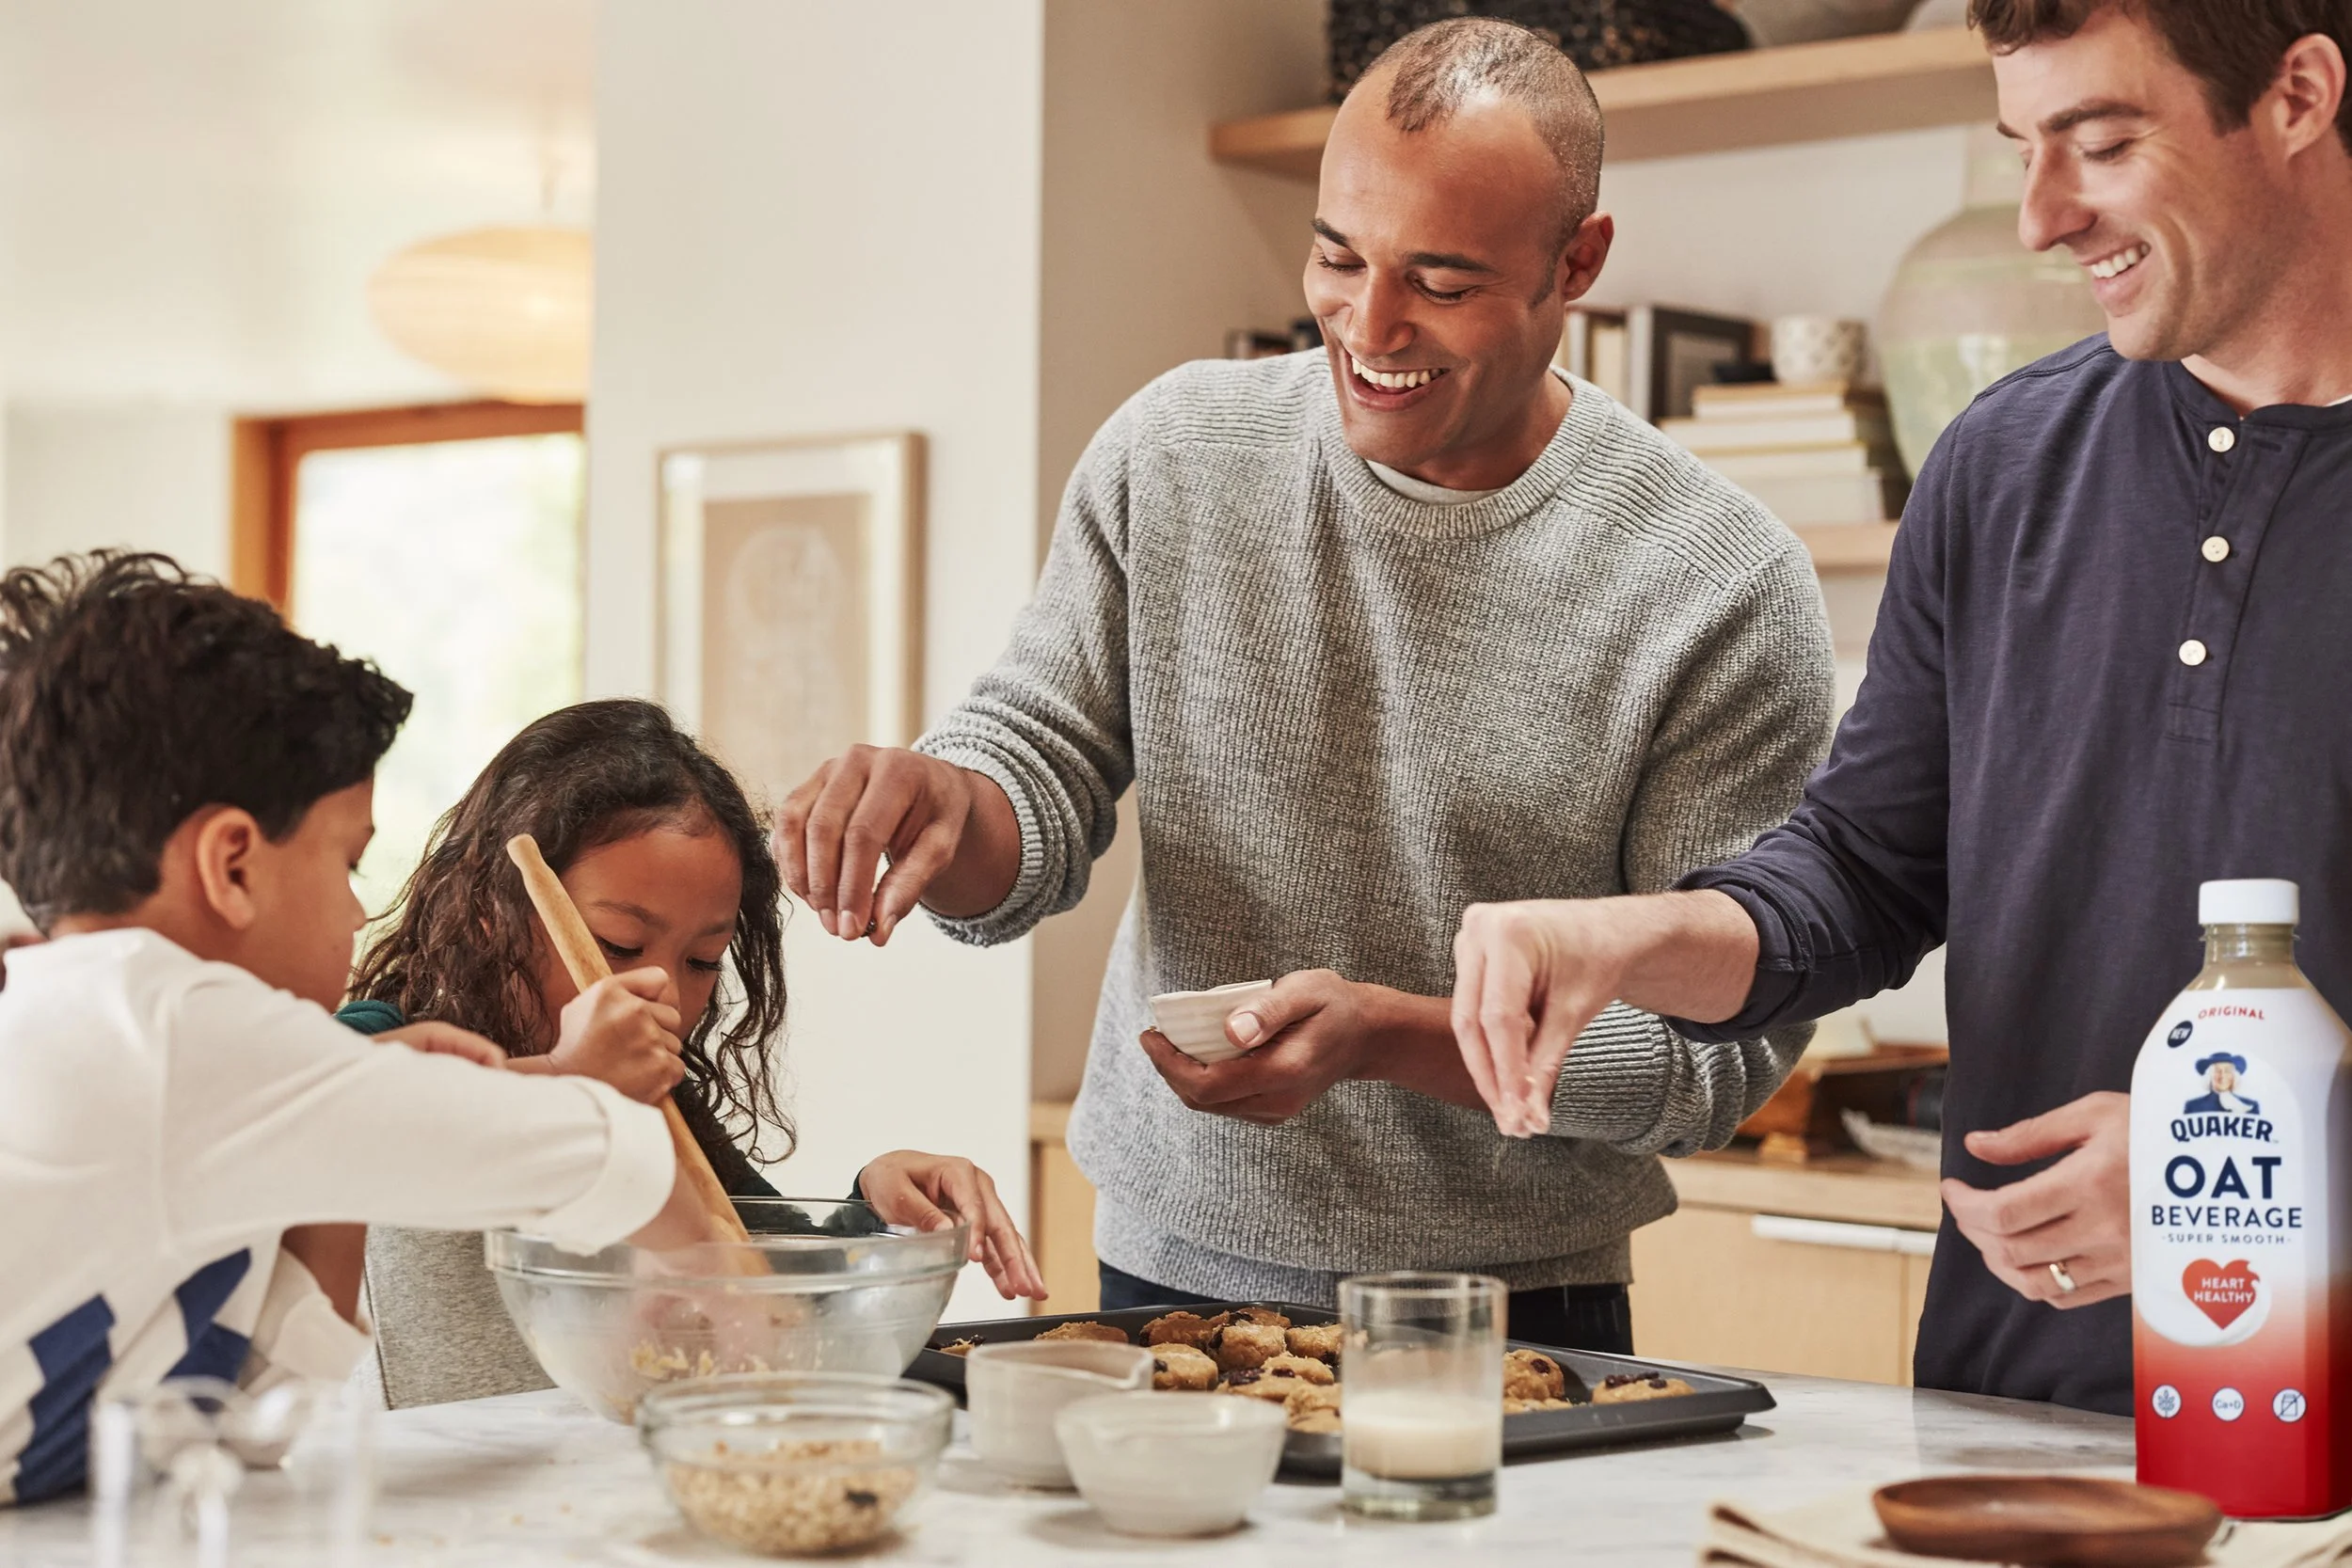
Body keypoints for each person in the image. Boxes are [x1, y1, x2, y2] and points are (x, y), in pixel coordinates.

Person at [774, 19, 1835, 1342]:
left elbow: (1717, 1051)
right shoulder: (1176, 451)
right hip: (1164, 1271)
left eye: (1440, 281)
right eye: (1338, 256)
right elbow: (1033, 775)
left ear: (1578, 263)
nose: (1369, 325)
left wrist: (1389, 1034)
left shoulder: (1717, 580)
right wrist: (947, 802)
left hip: (1515, 1308)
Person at [1447, 0, 2352, 1414]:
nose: (2045, 217)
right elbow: (1865, 871)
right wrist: (1627, 936)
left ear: (2298, 96)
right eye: (2024, 147)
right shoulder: (2000, 462)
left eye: (2103, 143)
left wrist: (2252, 1165)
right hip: (2013, 1413)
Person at [0, 554, 708, 1505]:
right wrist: (743, 1310)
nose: (357, 909)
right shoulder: (164, 1023)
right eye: (347, 861)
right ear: (232, 865)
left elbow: (254, 1413)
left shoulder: (123, 1044)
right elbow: (608, 1164)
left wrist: (352, 1106)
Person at [339, 699, 1043, 1407]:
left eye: (703, 960)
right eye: (619, 945)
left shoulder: (660, 1104)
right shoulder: (375, 1044)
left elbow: (776, 1301)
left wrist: (874, 1208)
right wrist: (561, 1079)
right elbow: (351, 1118)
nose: (668, 998)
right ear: (491, 915)